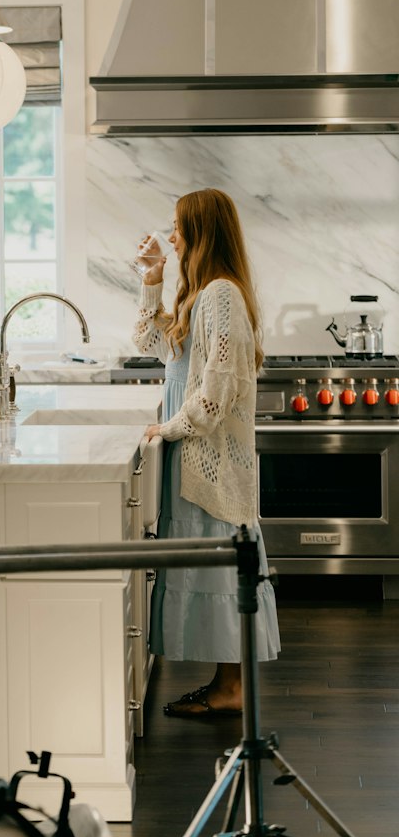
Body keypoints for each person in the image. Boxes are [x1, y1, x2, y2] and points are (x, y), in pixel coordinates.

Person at [133, 188, 280, 717]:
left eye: (178, 226)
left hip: (204, 450)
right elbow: (156, 349)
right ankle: (227, 685)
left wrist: (170, 428)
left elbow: (216, 392)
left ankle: (232, 689)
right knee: (215, 560)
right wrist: (152, 279)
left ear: (201, 231)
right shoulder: (204, 292)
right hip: (195, 447)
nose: (171, 237)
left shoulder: (221, 294)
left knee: (219, 560)